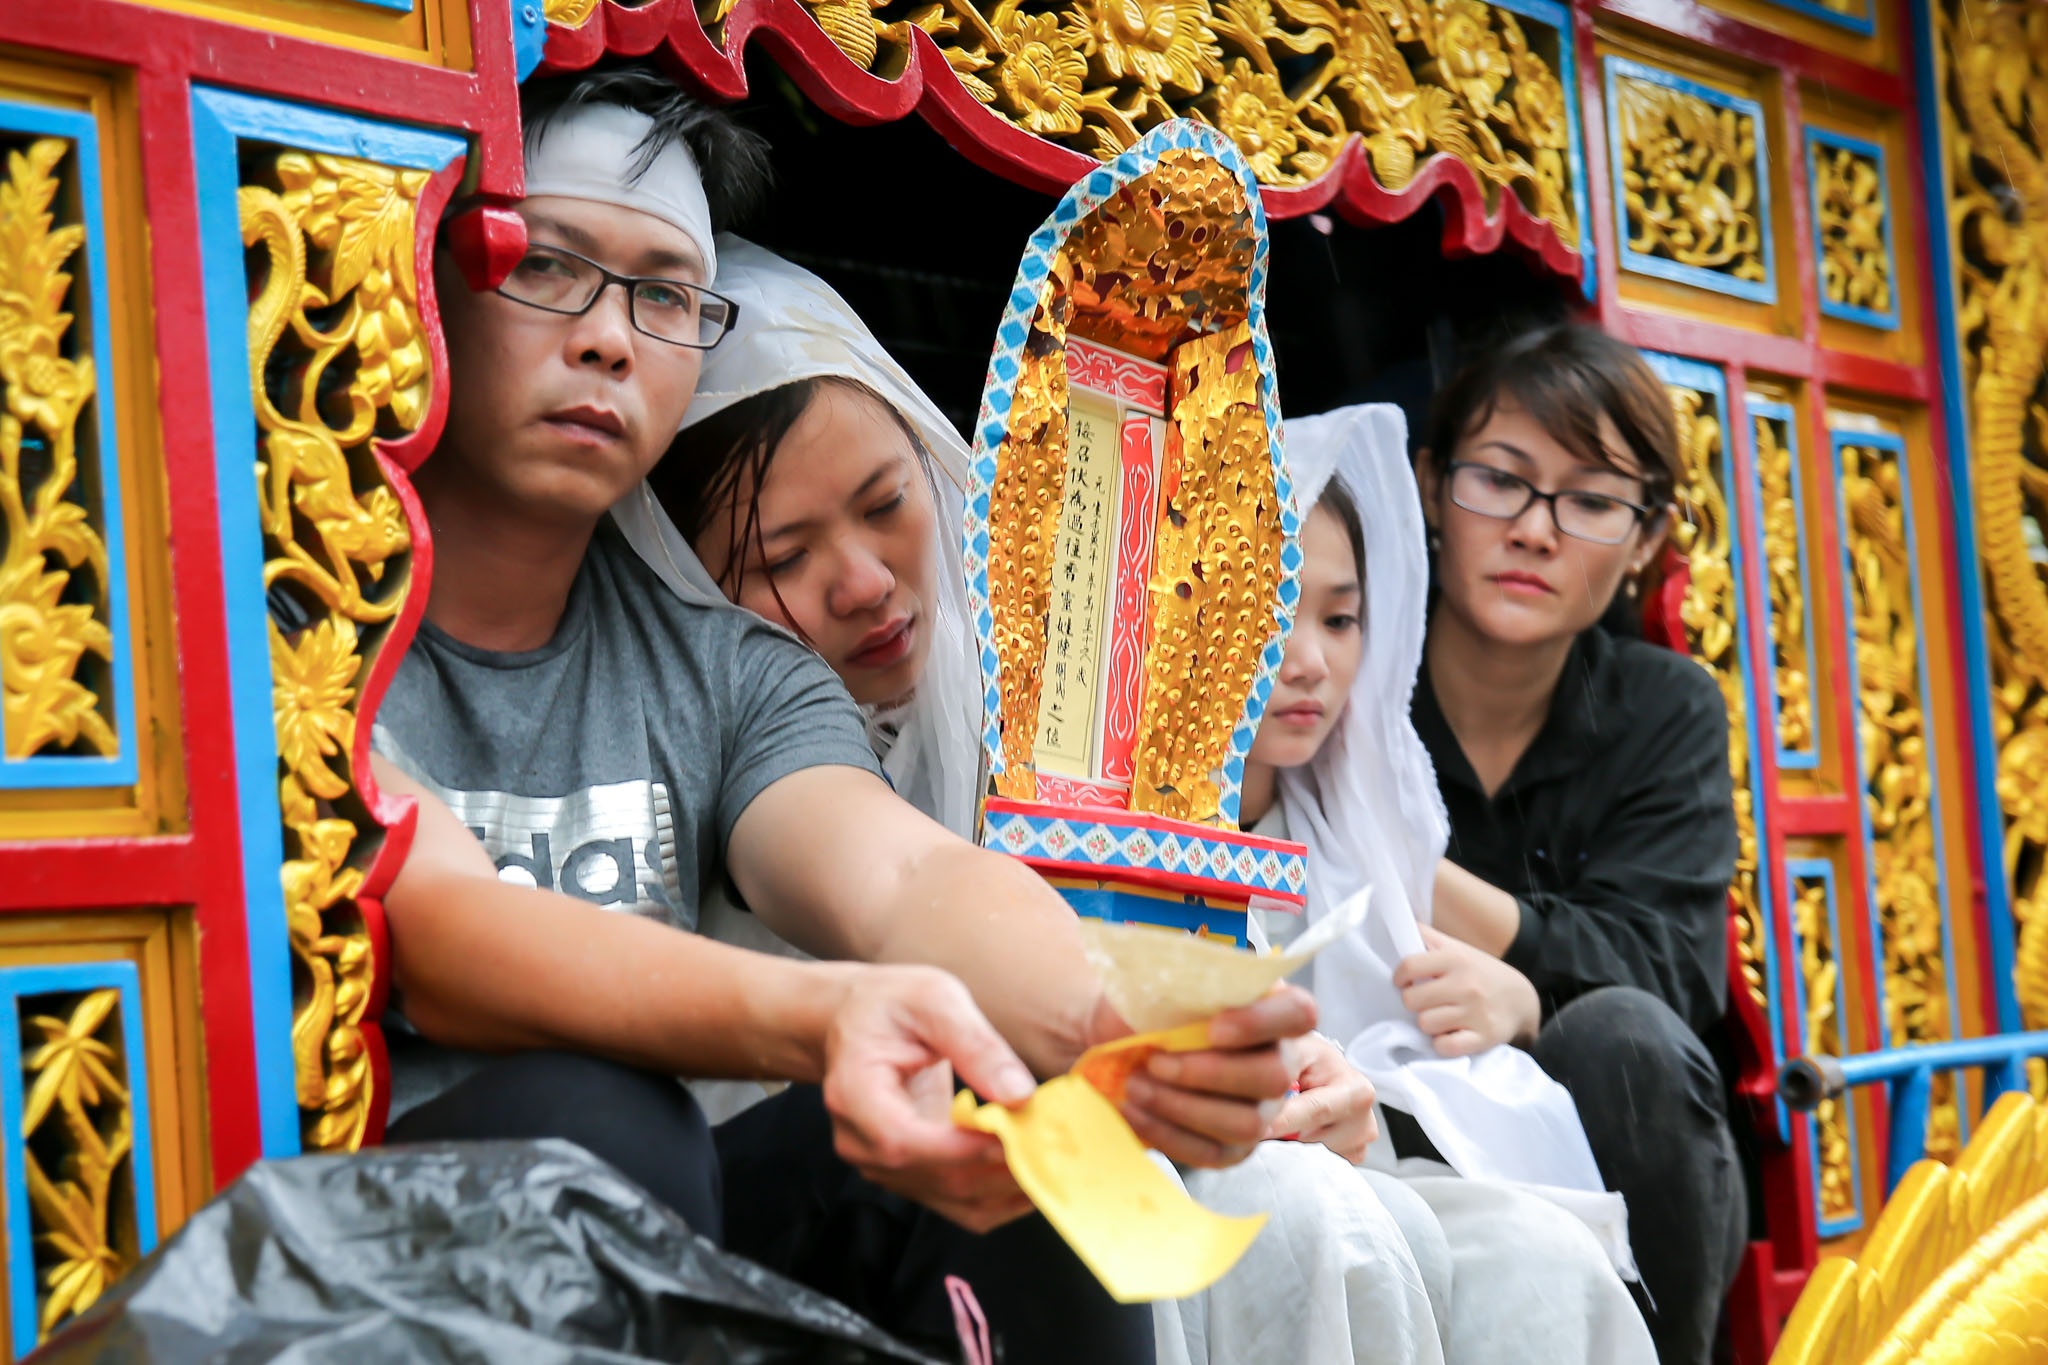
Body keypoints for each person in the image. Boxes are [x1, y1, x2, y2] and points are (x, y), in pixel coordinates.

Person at [369, 64, 1320, 1363]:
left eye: (661, 294)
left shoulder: (723, 665)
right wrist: (826, 1019)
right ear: (432, 274)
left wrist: (1109, 1020)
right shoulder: (311, 606)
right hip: (351, 1243)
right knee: (598, 1123)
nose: (607, 337)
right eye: (549, 266)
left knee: (999, 1116)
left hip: (665, 1236)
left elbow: (899, 873)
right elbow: (447, 930)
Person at [644, 242, 1448, 1365]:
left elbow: (1162, 960)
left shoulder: (1053, 692)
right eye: (780, 554)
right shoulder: (726, 727)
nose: (866, 580)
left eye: (887, 502)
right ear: (677, 578)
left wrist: (1262, 1073)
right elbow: (900, 885)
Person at [1237, 402, 1655, 1365]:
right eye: (1267, 616)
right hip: (1217, 1191)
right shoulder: (1112, 828)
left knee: (1545, 1257)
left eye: (1341, 619)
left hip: (1365, 1176)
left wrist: (1505, 1004)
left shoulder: (1351, 837)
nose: (1309, 662)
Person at [1400, 323, 1745, 1365]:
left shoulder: (1663, 707)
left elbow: (1670, 972)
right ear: (1429, 488)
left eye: (1590, 502)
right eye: (1499, 481)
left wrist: (1522, 999)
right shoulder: (1343, 672)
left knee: (1624, 1041)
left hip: (1611, 1141)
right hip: (1382, 1093)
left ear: (1645, 538)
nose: (1534, 530)